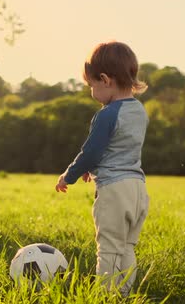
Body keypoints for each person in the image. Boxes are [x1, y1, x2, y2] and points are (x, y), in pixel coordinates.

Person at [55, 41, 150, 296]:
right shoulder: (140, 111)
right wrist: (95, 166)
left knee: (108, 248)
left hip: (114, 190)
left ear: (105, 80)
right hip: (138, 188)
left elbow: (91, 152)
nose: (91, 91)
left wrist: (69, 175)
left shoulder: (107, 114)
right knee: (127, 246)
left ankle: (105, 296)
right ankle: (124, 295)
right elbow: (120, 148)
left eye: (91, 85)